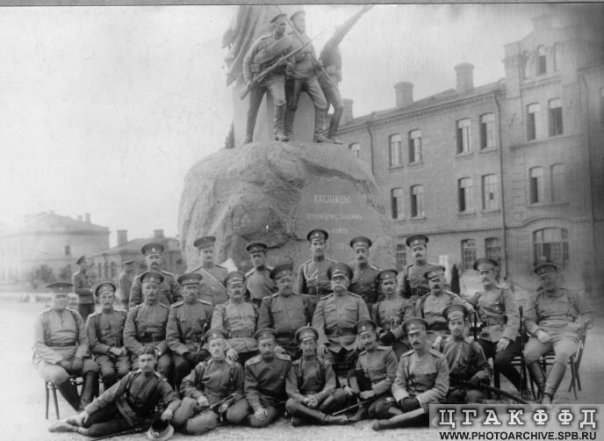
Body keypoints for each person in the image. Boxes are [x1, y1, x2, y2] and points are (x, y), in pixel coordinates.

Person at [48, 347, 180, 438]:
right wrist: (87, 411)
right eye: (143, 360)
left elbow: (175, 400)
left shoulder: (160, 382)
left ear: (155, 360)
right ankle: (69, 420)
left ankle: (72, 428)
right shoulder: (132, 376)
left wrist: (169, 409)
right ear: (138, 362)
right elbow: (110, 394)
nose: (146, 364)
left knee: (93, 431)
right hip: (118, 407)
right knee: (87, 420)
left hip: (131, 419)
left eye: (149, 360)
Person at [523, 262, 592, 404]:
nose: (546, 281)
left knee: (562, 354)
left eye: (549, 277)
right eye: (542, 279)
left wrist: (580, 325)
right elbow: (528, 320)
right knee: (529, 354)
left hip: (567, 333)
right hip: (544, 333)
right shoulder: (535, 298)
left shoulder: (572, 294)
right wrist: (538, 332)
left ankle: (546, 396)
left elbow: (587, 314)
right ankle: (546, 392)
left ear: (557, 277)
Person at [467, 258, 530, 399]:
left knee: (500, 361)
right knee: (471, 355)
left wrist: (506, 337)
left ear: (495, 273)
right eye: (481, 273)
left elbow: (514, 317)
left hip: (510, 337)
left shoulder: (505, 292)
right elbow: (461, 302)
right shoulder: (478, 295)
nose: (484, 276)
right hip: (487, 338)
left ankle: (523, 388)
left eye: (487, 272)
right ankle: (482, 391)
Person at [372, 318, 448, 431]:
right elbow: (398, 383)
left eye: (417, 334)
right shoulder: (405, 358)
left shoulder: (439, 359)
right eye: (411, 336)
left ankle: (392, 422)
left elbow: (441, 389)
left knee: (433, 409)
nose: (414, 339)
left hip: (426, 401)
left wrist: (418, 400)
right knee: (380, 407)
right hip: (408, 400)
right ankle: (407, 417)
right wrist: (403, 398)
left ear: (425, 334)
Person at [34, 282, 99, 411]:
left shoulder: (75, 315)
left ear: (68, 298)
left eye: (64, 296)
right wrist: (60, 361)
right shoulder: (42, 317)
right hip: (50, 360)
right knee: (59, 375)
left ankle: (84, 405)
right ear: (51, 298)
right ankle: (80, 409)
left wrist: (79, 356)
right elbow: (38, 345)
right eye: (57, 296)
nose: (61, 299)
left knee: (93, 367)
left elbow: (84, 341)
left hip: (73, 357)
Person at [172, 329, 247, 434]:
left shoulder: (235, 367)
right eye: (213, 345)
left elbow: (240, 390)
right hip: (200, 401)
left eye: (219, 345)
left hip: (216, 407)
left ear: (225, 346)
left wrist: (227, 403)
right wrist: (199, 396)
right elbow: (186, 384)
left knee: (194, 426)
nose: (216, 348)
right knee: (178, 418)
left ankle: (184, 427)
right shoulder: (203, 366)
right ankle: (173, 425)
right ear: (209, 349)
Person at [318, 5, 372, 143]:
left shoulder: (333, 48)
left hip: (332, 81)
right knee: (339, 106)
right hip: (328, 81)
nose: (341, 36)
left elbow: (321, 62)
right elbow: (320, 64)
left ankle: (320, 134)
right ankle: (330, 135)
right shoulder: (330, 45)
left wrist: (335, 72)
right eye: (339, 33)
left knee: (325, 108)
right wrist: (360, 13)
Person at [312, 262, 370, 377]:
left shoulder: (358, 301)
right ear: (331, 283)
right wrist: (321, 343)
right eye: (335, 278)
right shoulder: (323, 302)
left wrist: (359, 339)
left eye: (341, 278)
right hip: (331, 344)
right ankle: (330, 386)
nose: (338, 281)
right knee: (324, 363)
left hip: (352, 342)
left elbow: (365, 323)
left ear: (348, 282)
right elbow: (317, 325)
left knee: (362, 362)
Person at [242, 13, 292, 143]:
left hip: (276, 76)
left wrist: (285, 64)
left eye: (285, 24)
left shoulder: (287, 42)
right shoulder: (261, 41)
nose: (284, 27)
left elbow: (292, 64)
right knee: (253, 107)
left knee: (281, 101)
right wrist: (248, 80)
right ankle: (248, 136)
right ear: (274, 26)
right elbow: (246, 60)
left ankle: (278, 132)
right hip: (259, 77)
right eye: (281, 24)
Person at [285, 326, 348, 426]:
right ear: (300, 346)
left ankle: (305, 417)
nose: (308, 347)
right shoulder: (294, 366)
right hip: (304, 401)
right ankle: (327, 419)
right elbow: (291, 391)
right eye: (305, 344)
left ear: (316, 345)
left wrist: (317, 398)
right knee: (290, 403)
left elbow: (330, 385)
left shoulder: (325, 364)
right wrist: (304, 399)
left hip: (322, 399)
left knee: (340, 393)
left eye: (311, 343)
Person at [283, 10, 330, 143]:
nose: (303, 23)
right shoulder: (289, 39)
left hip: (310, 76)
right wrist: (299, 55)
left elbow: (313, 58)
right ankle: (288, 133)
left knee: (322, 103)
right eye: (300, 20)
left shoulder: (308, 38)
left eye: (304, 20)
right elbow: (285, 60)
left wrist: (318, 64)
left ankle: (318, 134)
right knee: (292, 105)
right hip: (295, 77)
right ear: (293, 22)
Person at [166, 273, 214, 388]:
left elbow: (212, 332)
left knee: (211, 365)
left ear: (199, 290)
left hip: (203, 349)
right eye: (188, 288)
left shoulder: (207, 307)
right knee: (181, 366)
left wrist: (205, 349)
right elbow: (171, 337)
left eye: (194, 288)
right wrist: (185, 352)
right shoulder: (175, 309)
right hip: (183, 350)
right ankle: (181, 392)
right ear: (182, 291)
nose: (191, 291)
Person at [258, 262, 314, 359]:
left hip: (303, 343)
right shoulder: (269, 302)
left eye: (289, 280)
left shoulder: (304, 299)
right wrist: (274, 346)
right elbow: (263, 330)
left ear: (293, 281)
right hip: (280, 345)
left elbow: (314, 322)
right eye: (282, 281)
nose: (286, 284)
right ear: (276, 284)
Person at [124, 271, 172, 379]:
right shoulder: (134, 312)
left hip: (159, 350)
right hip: (140, 348)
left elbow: (170, 335)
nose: (151, 291)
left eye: (154, 288)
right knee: (138, 371)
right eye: (148, 288)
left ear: (159, 290)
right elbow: (128, 337)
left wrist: (158, 350)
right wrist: (141, 350)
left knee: (165, 366)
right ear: (142, 290)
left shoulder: (167, 311)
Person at [346, 320, 398, 421]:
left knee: (377, 410)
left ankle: (402, 413)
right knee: (352, 374)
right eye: (363, 338)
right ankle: (362, 407)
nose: (367, 341)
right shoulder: (361, 356)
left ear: (375, 335)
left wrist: (373, 391)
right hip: (369, 392)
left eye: (369, 336)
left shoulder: (387, 352)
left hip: (386, 391)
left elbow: (392, 378)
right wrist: (346, 387)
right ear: (359, 340)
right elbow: (358, 377)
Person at [240, 328, 292, 427]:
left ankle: (274, 413)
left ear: (275, 345)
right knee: (236, 414)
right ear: (258, 347)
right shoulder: (251, 364)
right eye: (263, 345)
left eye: (269, 345)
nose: (267, 349)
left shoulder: (286, 361)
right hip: (260, 398)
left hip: (275, 402)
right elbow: (250, 389)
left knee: (257, 422)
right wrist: (257, 407)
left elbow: (291, 386)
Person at [440, 305, 490, 404]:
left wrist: (477, 377)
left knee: (474, 399)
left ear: (464, 325)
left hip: (470, 385)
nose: (456, 327)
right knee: (451, 400)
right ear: (448, 325)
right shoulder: (441, 345)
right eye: (453, 323)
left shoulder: (473, 346)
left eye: (459, 323)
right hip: (450, 386)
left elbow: (486, 369)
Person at [414, 266, 474, 347]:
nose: (436, 284)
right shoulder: (421, 302)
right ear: (428, 283)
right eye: (433, 281)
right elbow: (419, 326)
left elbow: (466, 324)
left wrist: (458, 340)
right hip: (428, 340)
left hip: (449, 338)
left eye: (438, 280)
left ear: (444, 281)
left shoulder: (453, 299)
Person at [86, 281, 130, 389]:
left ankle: (123, 395)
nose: (107, 300)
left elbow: (129, 335)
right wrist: (111, 349)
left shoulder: (123, 314)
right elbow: (92, 344)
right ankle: (109, 397)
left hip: (121, 352)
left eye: (110, 297)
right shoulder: (93, 318)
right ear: (98, 299)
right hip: (102, 355)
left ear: (114, 298)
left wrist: (125, 347)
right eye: (104, 297)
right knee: (108, 373)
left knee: (124, 371)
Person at [211, 271, 259, 365]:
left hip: (253, 347)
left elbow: (260, 330)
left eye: (239, 286)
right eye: (233, 287)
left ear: (244, 289)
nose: (237, 290)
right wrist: (227, 349)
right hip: (232, 349)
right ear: (227, 291)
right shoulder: (221, 309)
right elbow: (217, 333)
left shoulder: (253, 307)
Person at [129, 242, 181, 308]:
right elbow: (133, 304)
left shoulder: (169, 278)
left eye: (156, 257)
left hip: (166, 313)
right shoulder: (139, 280)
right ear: (146, 261)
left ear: (160, 260)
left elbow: (179, 298)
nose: (154, 260)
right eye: (151, 257)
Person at [371, 269, 410, 357]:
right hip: (383, 340)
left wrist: (393, 334)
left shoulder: (406, 303)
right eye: (385, 284)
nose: (389, 286)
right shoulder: (377, 306)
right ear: (381, 286)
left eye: (391, 283)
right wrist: (381, 333)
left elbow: (407, 323)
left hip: (401, 341)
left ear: (396, 284)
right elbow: (374, 325)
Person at [396, 234, 442, 303]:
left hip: (433, 304)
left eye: (420, 249)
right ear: (411, 252)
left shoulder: (436, 269)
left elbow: (444, 290)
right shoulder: (407, 271)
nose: (417, 252)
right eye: (414, 250)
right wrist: (408, 302)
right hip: (413, 305)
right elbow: (401, 294)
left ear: (425, 250)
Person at [296, 229, 335, 305]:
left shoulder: (333, 265)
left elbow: (339, 286)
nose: (318, 247)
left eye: (321, 244)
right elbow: (299, 294)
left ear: (325, 246)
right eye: (315, 244)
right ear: (310, 247)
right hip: (310, 305)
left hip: (329, 304)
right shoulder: (304, 267)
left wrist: (319, 284)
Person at [189, 236, 229, 305]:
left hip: (223, 308)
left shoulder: (223, 271)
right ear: (199, 254)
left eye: (211, 252)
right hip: (205, 309)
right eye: (205, 252)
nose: (209, 255)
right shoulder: (195, 274)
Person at [347, 236, 380, 309]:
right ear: (353, 254)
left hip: (371, 309)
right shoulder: (349, 272)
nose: (360, 254)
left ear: (368, 252)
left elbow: (381, 295)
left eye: (363, 251)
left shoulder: (375, 272)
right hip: (353, 309)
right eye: (357, 252)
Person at [244, 242, 276, 307]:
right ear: (251, 259)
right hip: (257, 309)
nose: (256, 259)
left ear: (265, 256)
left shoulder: (275, 273)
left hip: (275, 308)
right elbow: (245, 299)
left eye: (259, 256)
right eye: (254, 257)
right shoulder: (248, 277)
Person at [72, 256, 95, 322]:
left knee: (92, 322)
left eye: (87, 263)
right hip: (83, 304)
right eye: (85, 263)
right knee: (84, 322)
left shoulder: (87, 275)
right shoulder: (76, 276)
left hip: (91, 302)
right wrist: (89, 291)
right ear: (80, 265)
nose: (87, 265)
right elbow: (76, 290)